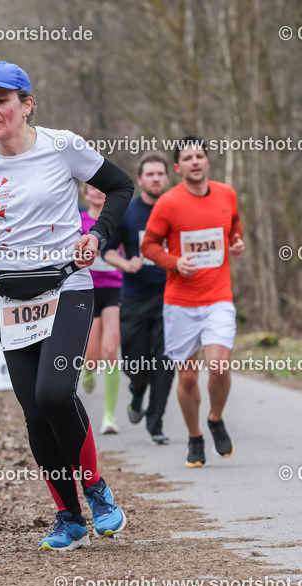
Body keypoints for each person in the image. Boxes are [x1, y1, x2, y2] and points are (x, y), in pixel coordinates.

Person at [0, 61, 133, 550]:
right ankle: (69, 517)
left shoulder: (63, 146)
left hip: (66, 288)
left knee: (56, 394)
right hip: (8, 295)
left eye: (2, 101)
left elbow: (121, 187)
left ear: (27, 104)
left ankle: (95, 489)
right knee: (35, 412)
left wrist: (97, 235)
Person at [141, 136, 245, 468]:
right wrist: (175, 263)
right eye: (188, 158)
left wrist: (237, 242)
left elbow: (235, 225)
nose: (195, 161)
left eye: (200, 155)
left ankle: (215, 418)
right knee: (187, 377)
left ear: (207, 161)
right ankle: (195, 436)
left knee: (219, 366)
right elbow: (149, 246)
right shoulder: (168, 203)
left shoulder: (227, 193)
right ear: (178, 167)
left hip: (218, 297)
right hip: (181, 301)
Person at [102, 153, 174, 445]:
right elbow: (106, 250)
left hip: (171, 298)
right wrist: (125, 264)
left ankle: (155, 423)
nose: (156, 178)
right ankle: (136, 391)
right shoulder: (128, 212)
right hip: (133, 297)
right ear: (141, 179)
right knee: (135, 362)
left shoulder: (176, 209)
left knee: (165, 363)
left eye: (160, 174)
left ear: (167, 178)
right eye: (150, 174)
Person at [80, 184, 123, 434]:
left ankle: (109, 416)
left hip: (114, 289)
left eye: (102, 188)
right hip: (87, 289)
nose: (97, 192)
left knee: (110, 351)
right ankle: (87, 370)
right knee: (93, 357)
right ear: (85, 194)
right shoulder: (78, 220)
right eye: (92, 188)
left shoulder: (116, 220)